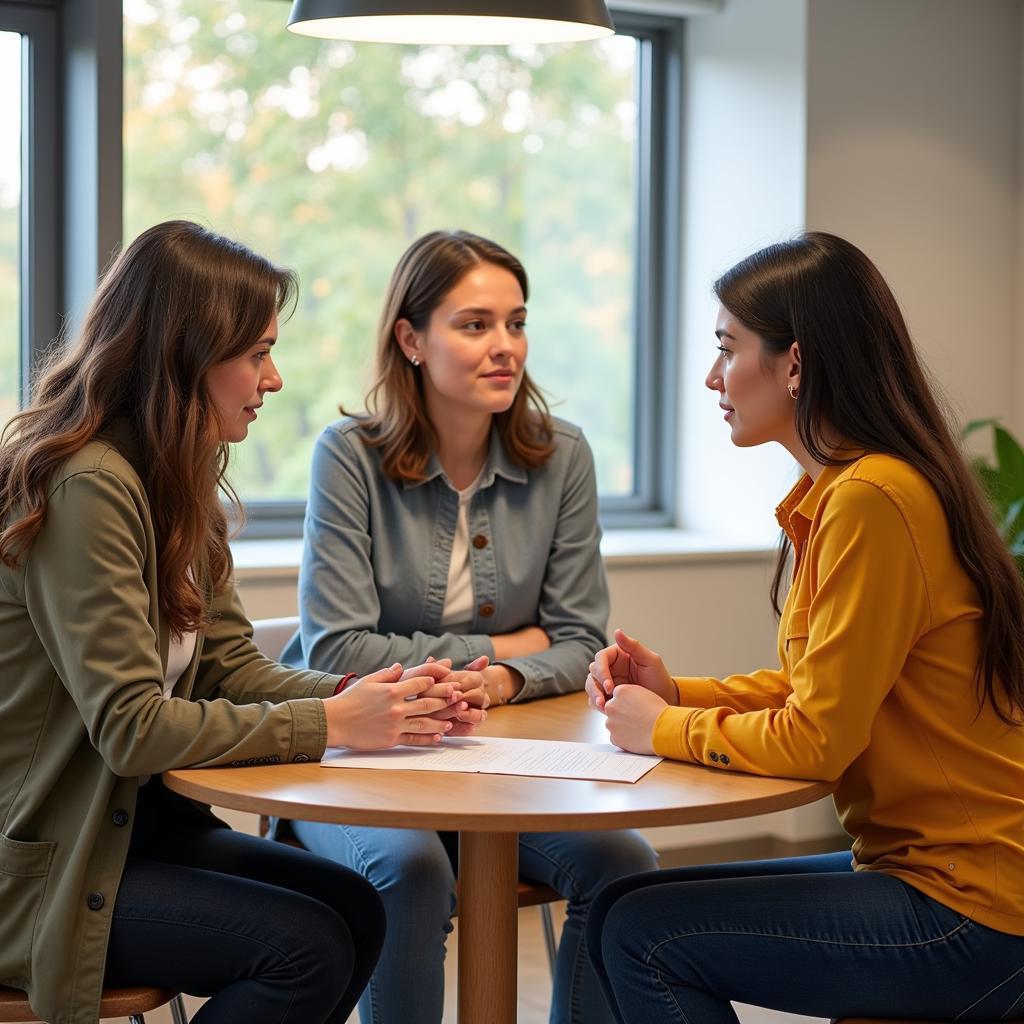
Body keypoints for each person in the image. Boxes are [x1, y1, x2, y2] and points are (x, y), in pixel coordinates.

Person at [0, 220, 473, 1024]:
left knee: (360, 908)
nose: (275, 378)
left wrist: (378, 697)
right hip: (51, 863)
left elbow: (231, 670)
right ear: (185, 357)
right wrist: (332, 721)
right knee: (303, 948)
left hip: (135, 831)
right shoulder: (89, 487)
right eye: (256, 354)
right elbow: (132, 729)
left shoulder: (181, 486)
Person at [583, 231, 1024, 1023]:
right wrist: (674, 691)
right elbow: (816, 687)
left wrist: (664, 728)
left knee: (644, 935)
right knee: (621, 904)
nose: (713, 376)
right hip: (932, 878)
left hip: (975, 910)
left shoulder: (872, 500)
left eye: (728, 349)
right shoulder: (853, 488)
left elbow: (818, 737)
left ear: (795, 363)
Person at [280, 229, 657, 1024]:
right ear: (411, 339)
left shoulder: (563, 457)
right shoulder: (346, 456)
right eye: (475, 324)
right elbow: (337, 648)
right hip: (358, 753)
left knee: (625, 863)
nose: (504, 348)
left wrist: (506, 678)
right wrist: (507, 650)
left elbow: (583, 638)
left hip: (503, 753)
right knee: (410, 873)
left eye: (516, 323)